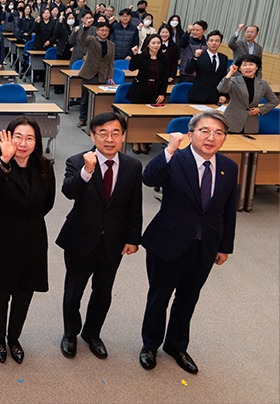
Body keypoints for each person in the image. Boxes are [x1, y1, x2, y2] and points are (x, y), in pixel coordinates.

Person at [139, 110, 238, 374]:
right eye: (204, 131)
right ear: (191, 134)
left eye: (218, 133)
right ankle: (150, 345)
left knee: (188, 298)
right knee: (159, 297)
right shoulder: (176, 159)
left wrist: (224, 246)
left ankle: (176, 345)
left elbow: (228, 210)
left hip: (204, 246)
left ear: (224, 139)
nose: (211, 137)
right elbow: (149, 179)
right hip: (168, 242)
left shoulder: (229, 167)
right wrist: (169, 149)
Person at [57, 112, 142, 360]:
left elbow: (134, 205)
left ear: (123, 136)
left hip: (113, 241)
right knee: (74, 290)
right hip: (80, 238)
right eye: (102, 133)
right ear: (92, 135)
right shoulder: (77, 161)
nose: (109, 139)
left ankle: (92, 334)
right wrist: (87, 170)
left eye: (116, 133)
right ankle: (70, 333)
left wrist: (133, 238)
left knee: (103, 292)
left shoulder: (132, 166)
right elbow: (69, 192)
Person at [0, 117, 55, 364]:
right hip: (3, 237)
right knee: (1, 293)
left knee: (25, 293)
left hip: (33, 238)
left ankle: (14, 338)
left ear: (37, 141)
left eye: (29, 138)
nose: (23, 143)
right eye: (18, 137)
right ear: (8, 138)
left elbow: (48, 203)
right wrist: (4, 159)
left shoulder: (45, 166)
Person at [127, 34, 170, 153]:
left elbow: (165, 78)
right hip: (140, 91)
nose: (156, 45)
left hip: (154, 91)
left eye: (158, 43)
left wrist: (162, 94)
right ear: (148, 44)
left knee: (149, 118)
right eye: (153, 43)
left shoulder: (164, 58)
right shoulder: (142, 57)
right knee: (138, 118)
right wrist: (134, 55)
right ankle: (136, 141)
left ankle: (145, 142)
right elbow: (132, 68)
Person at [218, 55, 278, 133]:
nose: (248, 67)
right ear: (239, 68)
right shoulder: (233, 81)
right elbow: (221, 89)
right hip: (232, 122)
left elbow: (274, 101)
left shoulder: (263, 84)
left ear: (256, 67)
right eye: (244, 65)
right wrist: (230, 73)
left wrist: (260, 110)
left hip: (251, 124)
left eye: (251, 64)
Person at [77, 17, 115, 127]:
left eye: (106, 31)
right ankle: (83, 118)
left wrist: (110, 76)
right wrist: (86, 27)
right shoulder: (91, 40)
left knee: (98, 100)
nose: (104, 33)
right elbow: (82, 40)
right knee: (85, 98)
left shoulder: (111, 45)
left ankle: (96, 120)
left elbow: (111, 62)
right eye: (102, 30)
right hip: (89, 73)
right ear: (97, 31)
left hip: (102, 75)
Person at [185, 30, 228, 105]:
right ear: (207, 42)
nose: (214, 43)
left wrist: (223, 94)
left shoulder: (223, 58)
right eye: (211, 41)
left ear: (220, 43)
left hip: (214, 96)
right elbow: (188, 70)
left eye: (217, 41)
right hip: (198, 96)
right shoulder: (199, 55)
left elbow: (223, 78)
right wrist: (195, 58)